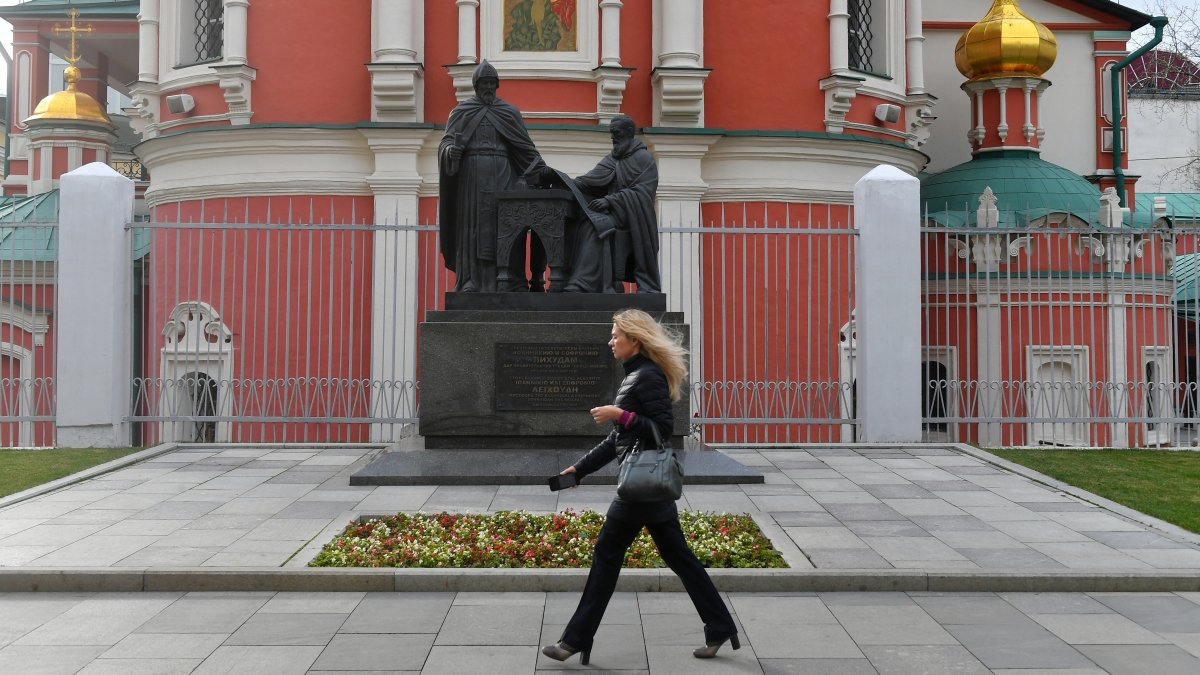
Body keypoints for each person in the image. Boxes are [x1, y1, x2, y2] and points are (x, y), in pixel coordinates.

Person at [542, 309, 739, 665]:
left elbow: (663, 429)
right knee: (679, 557)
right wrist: (580, 470)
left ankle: (574, 640)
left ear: (635, 339)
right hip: (650, 487)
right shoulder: (636, 375)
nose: (610, 341)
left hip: (641, 486)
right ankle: (720, 625)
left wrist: (620, 414)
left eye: (616, 335)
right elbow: (619, 439)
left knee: (606, 553)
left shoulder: (646, 376)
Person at [438, 60, 548, 292]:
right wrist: (450, 151)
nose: (488, 87)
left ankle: (508, 280)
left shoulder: (509, 112)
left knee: (506, 227)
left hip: (503, 177)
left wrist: (541, 173)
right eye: (484, 83)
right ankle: (470, 281)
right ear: (476, 85)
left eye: (492, 83)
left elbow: (525, 149)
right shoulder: (461, 112)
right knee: (472, 228)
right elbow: (447, 142)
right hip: (471, 179)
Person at [566, 114, 661, 293]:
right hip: (611, 213)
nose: (612, 137)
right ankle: (583, 281)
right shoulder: (612, 159)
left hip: (631, 216)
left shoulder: (644, 159)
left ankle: (584, 283)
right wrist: (562, 180)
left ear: (629, 132)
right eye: (611, 133)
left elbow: (643, 194)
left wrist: (610, 201)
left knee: (596, 227)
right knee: (583, 223)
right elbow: (587, 182)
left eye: (616, 132)